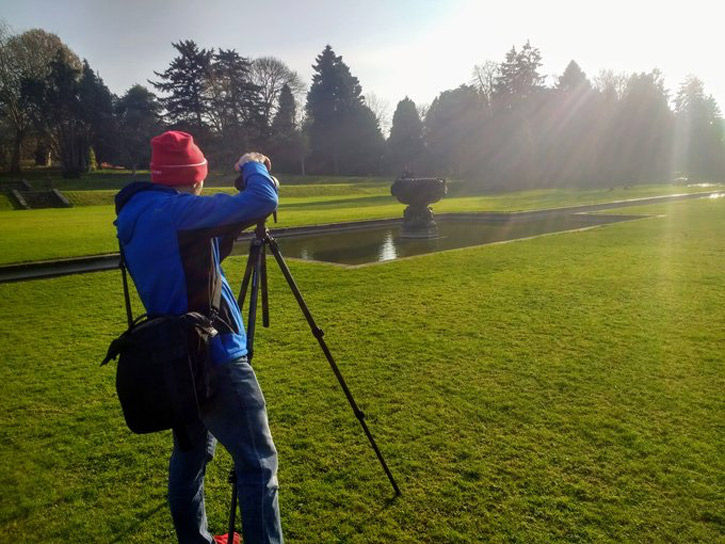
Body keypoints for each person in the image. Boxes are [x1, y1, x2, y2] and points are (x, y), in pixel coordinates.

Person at [114, 130, 284, 544]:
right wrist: (253, 165)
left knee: (190, 456)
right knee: (258, 462)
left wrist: (226, 224)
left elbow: (192, 260)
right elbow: (264, 200)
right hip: (215, 355)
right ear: (193, 175)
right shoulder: (176, 212)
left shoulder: (139, 212)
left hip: (173, 358)